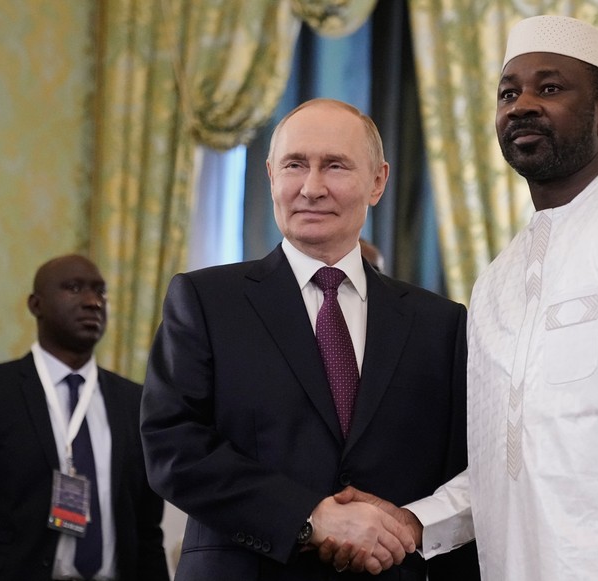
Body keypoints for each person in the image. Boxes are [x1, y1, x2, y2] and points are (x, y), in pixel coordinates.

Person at [327, 15, 598, 581]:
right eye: (508, 93)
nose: (522, 106)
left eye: (551, 88)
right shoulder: (497, 281)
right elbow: (505, 464)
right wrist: (415, 521)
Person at [139, 98, 479, 580]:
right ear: (270, 175)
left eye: (335, 166)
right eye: (294, 165)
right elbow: (173, 447)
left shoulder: (441, 324)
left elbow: (470, 469)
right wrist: (309, 517)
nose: (311, 187)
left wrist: (411, 523)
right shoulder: (206, 301)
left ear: (378, 181)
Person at [0, 254, 169, 581]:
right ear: (36, 304)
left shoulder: (136, 401)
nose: (93, 302)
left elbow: (146, 528)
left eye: (100, 292)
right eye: (74, 288)